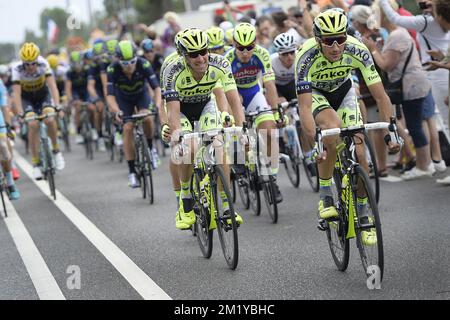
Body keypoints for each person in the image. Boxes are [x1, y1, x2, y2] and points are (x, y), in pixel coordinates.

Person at [295, 10, 400, 239]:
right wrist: (317, 143)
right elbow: (304, 108)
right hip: (317, 93)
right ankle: (325, 196)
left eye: (340, 39)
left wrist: (390, 130)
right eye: (328, 41)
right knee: (331, 130)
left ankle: (363, 211)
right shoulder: (305, 56)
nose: (335, 47)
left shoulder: (357, 49)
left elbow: (381, 97)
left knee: (361, 155)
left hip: (343, 91)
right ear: (317, 40)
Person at [162, 28, 245, 230]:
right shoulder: (172, 70)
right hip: (180, 109)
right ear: (183, 56)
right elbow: (172, 110)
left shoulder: (220, 64)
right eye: (193, 54)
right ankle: (186, 200)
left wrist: (242, 131)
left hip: (205, 105)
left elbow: (233, 100)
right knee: (188, 147)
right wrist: (176, 136)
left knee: (218, 146)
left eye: (203, 51)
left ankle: (227, 206)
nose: (200, 58)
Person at [364, 0, 437, 180]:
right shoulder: (394, 34)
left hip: (412, 86)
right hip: (412, 84)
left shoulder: (397, 35)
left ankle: (423, 165)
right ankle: (424, 163)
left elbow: (386, 65)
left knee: (415, 125)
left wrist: (373, 49)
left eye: (376, 14)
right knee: (416, 124)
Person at [225, 22, 285, 203]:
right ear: (234, 44)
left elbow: (269, 85)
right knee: (239, 133)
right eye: (240, 48)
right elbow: (226, 92)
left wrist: (275, 112)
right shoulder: (227, 59)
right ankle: (239, 161)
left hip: (253, 93)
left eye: (249, 47)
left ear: (255, 43)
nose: (245, 52)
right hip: (234, 96)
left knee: (269, 129)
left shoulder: (262, 54)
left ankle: (272, 179)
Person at [378, 0, 450, 135]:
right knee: (437, 120)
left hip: (437, 72)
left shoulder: (426, 22)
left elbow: (395, 18)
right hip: (442, 67)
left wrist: (383, 2)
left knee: (446, 121)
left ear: (440, 14)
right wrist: (442, 58)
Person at [106, 40, 162, 187]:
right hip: (123, 99)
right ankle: (132, 172)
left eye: (132, 62)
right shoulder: (112, 70)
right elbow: (110, 96)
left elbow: (156, 89)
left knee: (148, 118)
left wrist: (156, 105)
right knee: (127, 128)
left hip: (141, 95)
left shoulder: (144, 64)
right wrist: (116, 111)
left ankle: (150, 149)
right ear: (118, 61)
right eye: (125, 63)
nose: (129, 66)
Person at [12, 43, 65, 180]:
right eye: (27, 64)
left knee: (50, 118)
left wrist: (57, 105)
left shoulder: (44, 64)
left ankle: (56, 150)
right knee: (32, 124)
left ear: (37, 60)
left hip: (43, 95)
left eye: (33, 63)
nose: (30, 67)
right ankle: (35, 164)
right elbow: (16, 94)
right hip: (27, 98)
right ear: (22, 62)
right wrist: (19, 113)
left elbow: (53, 86)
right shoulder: (16, 69)